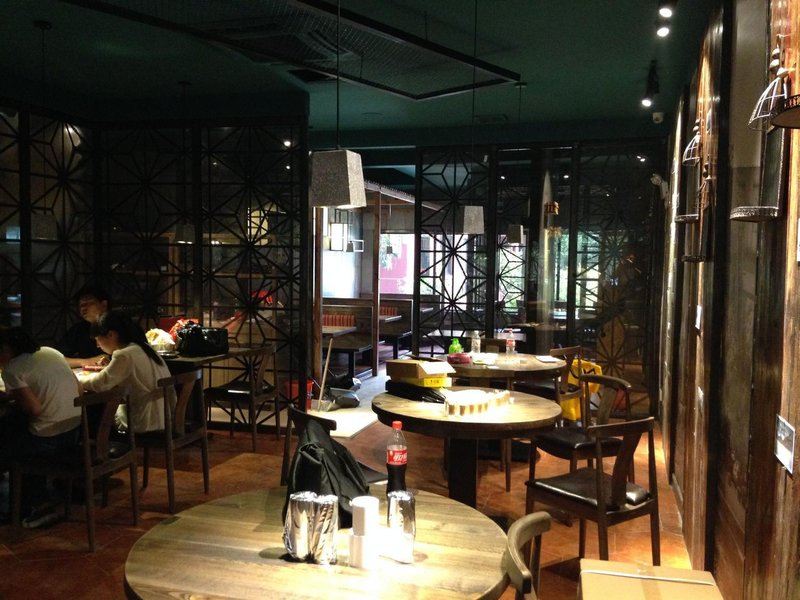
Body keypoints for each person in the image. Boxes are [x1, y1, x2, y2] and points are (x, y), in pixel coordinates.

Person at [0, 327, 81, 527]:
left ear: (6, 349)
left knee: (9, 448)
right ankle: (40, 498)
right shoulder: (51, 352)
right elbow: (79, 388)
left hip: (49, 440)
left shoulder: (12, 369)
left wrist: (13, 399)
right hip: (73, 431)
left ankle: (30, 507)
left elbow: (34, 409)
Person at [81, 311, 174, 434]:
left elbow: (100, 384)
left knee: (94, 417)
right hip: (163, 418)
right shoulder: (144, 348)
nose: (97, 345)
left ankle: (98, 445)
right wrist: (110, 367)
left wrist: (77, 379)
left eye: (98, 340)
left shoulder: (124, 355)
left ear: (111, 335)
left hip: (143, 422)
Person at [59, 285, 111, 368]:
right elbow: (58, 358)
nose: (84, 308)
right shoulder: (79, 330)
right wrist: (87, 361)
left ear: (104, 305)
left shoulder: (119, 324)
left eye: (89, 303)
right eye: (81, 305)